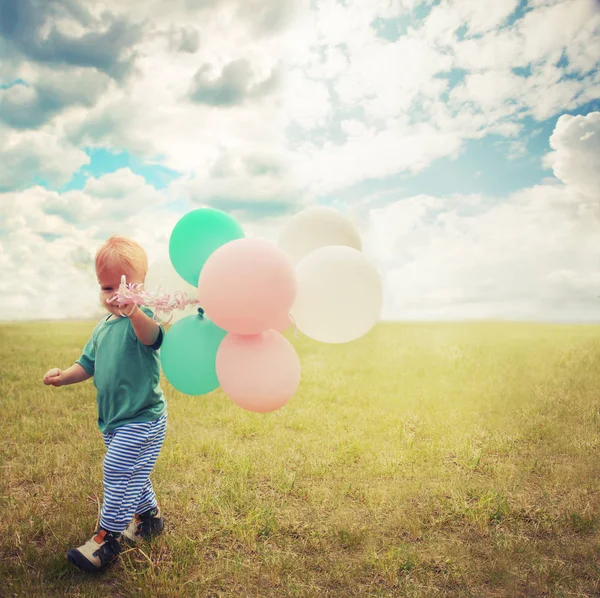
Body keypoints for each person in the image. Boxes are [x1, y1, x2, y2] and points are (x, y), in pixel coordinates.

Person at [43, 236, 168, 573]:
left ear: (142, 286)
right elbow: (88, 364)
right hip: (113, 420)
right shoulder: (101, 328)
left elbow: (154, 338)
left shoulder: (142, 318)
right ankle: (149, 520)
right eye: (108, 287)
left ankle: (106, 539)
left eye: (128, 286)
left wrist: (136, 312)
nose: (117, 295)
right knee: (132, 472)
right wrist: (63, 376)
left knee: (117, 470)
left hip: (143, 418)